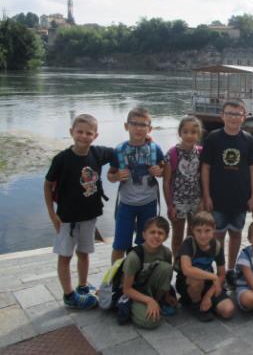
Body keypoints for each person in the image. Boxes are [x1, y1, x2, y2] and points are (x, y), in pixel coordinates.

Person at [44, 114, 113, 309]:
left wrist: (147, 139)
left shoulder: (98, 153)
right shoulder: (62, 159)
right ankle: (68, 295)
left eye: (88, 133)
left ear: (95, 135)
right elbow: (48, 185)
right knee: (65, 256)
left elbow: (120, 152)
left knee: (84, 252)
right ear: (71, 132)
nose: (83, 136)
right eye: (79, 132)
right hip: (67, 218)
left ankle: (82, 286)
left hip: (89, 216)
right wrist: (52, 214)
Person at [201, 99, 253, 288]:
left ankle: (231, 269)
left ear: (244, 117)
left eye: (237, 114)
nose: (233, 118)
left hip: (240, 198)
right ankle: (218, 269)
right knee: (217, 235)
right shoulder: (212, 138)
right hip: (217, 197)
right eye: (230, 113)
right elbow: (206, 168)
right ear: (222, 115)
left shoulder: (249, 140)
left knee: (235, 234)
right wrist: (207, 196)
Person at [108, 107, 164, 263]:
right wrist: (117, 176)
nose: (139, 128)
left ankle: (142, 276)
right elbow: (110, 176)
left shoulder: (155, 149)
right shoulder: (119, 150)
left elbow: (165, 170)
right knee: (120, 245)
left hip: (149, 203)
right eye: (134, 124)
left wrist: (159, 171)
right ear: (126, 126)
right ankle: (116, 278)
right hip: (126, 205)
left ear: (149, 128)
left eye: (143, 125)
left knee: (146, 244)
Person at [175, 211, 235, 322]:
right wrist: (213, 277)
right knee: (197, 279)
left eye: (207, 231)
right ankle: (196, 305)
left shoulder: (216, 245)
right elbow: (187, 269)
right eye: (199, 231)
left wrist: (208, 295)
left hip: (208, 282)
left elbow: (221, 273)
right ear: (192, 230)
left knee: (228, 311)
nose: (203, 235)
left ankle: (205, 301)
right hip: (187, 282)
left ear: (214, 229)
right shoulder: (188, 244)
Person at [121, 216, 177, 328]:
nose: (156, 236)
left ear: (166, 237)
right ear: (144, 234)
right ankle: (132, 307)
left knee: (167, 268)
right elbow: (126, 289)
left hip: (151, 287)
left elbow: (166, 275)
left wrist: (166, 295)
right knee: (151, 321)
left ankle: (158, 301)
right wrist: (149, 300)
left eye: (160, 233)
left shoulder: (166, 252)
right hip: (135, 291)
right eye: (152, 232)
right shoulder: (134, 257)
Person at [163, 115, 203, 257]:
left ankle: (189, 262)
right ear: (180, 133)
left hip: (195, 200)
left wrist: (202, 201)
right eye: (185, 132)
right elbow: (166, 182)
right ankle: (178, 265)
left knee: (193, 234)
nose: (189, 135)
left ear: (198, 135)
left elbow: (203, 178)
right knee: (178, 235)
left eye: (193, 132)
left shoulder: (201, 153)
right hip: (178, 201)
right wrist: (169, 205)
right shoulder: (172, 154)